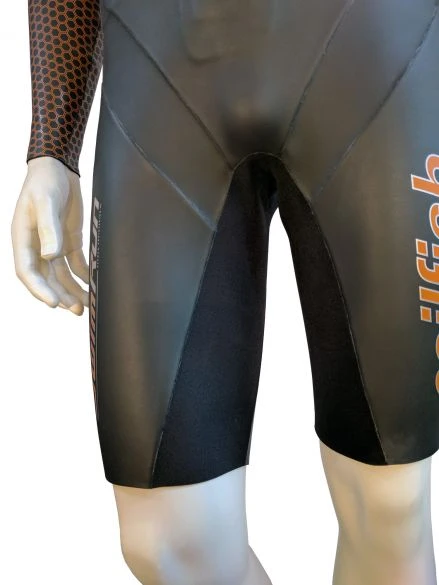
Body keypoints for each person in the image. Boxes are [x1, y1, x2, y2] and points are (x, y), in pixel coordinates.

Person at [11, 0, 439, 583]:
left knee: (391, 504)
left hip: (375, 47)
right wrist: (51, 146)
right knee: (165, 539)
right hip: (158, 63)